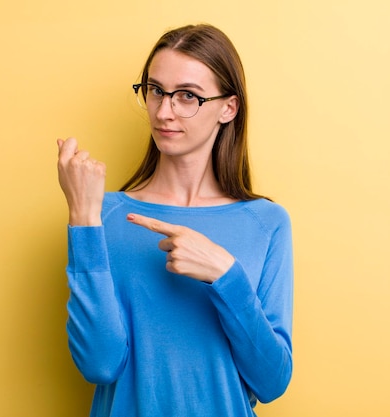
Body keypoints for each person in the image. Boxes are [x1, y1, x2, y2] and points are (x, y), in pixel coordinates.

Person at [56, 23, 293, 417]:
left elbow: (271, 382)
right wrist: (83, 217)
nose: (164, 112)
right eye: (155, 91)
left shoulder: (266, 222)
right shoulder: (106, 215)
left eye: (187, 96)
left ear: (228, 108)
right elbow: (99, 364)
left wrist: (225, 274)